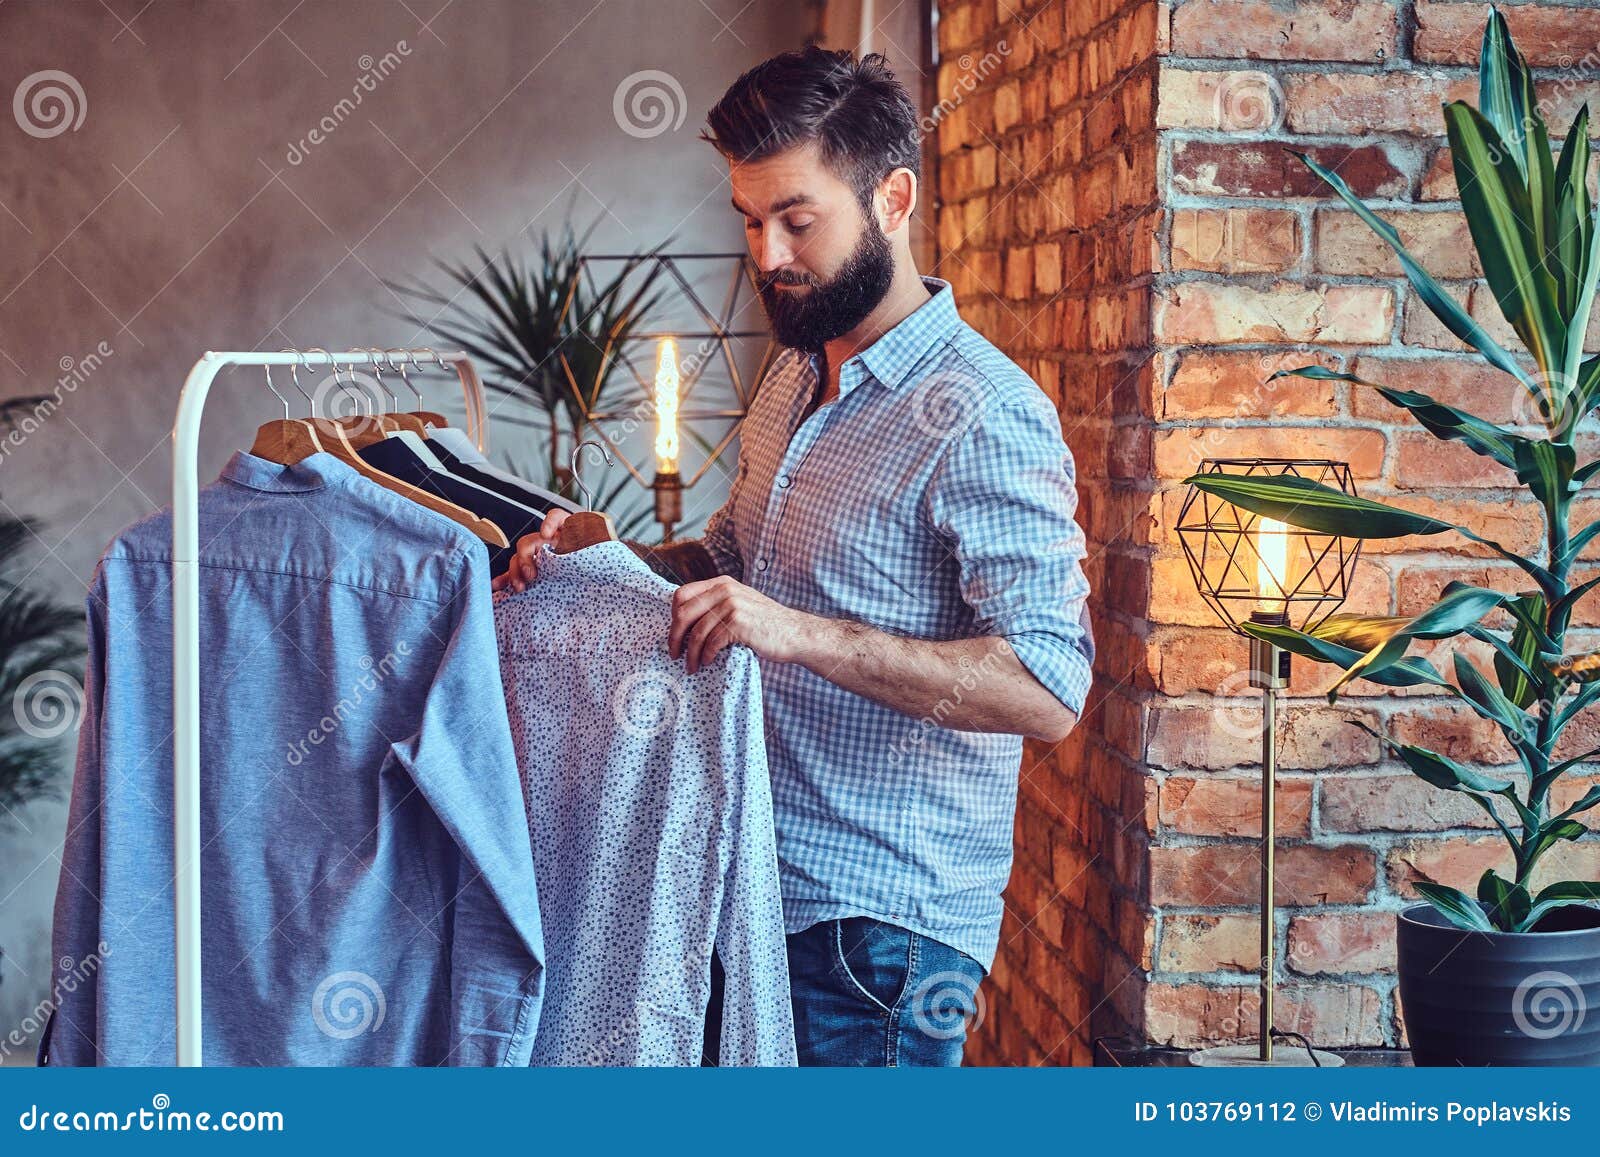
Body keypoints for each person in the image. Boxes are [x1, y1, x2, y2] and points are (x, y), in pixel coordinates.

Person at [494, 46, 1094, 1067]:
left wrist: (793, 632)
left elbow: (1048, 684)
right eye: (748, 219)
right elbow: (731, 556)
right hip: (756, 884)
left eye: (798, 220)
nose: (767, 252)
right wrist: (608, 553)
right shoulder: (795, 373)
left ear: (892, 198)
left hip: (880, 940)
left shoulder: (982, 413)